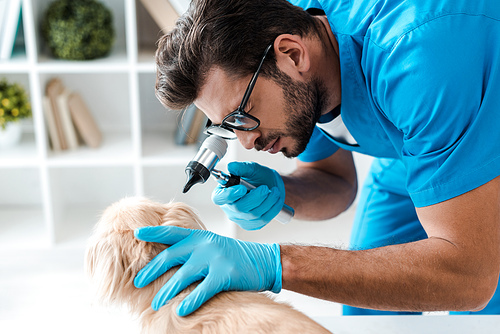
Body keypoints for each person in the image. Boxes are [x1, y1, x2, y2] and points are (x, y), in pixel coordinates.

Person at [133, 0, 500, 317]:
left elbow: (469, 275)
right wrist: (284, 192)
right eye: (227, 126)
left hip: (482, 144)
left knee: (480, 314)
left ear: (292, 54)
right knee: (367, 308)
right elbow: (335, 180)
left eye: (241, 114)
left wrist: (276, 264)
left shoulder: (417, 61)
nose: (246, 143)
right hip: (415, 150)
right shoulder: (301, 40)